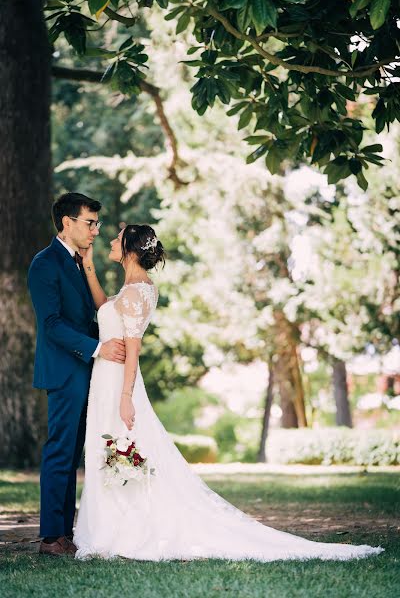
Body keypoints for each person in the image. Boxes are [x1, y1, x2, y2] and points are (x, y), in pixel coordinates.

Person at [74, 224, 383, 562]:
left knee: (122, 449)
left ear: (131, 250)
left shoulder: (136, 293)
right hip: (106, 378)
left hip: (118, 381)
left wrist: (125, 396)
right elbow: (105, 307)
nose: (111, 241)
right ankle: (117, 523)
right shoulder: (133, 288)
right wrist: (88, 266)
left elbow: (133, 349)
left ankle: (126, 529)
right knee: (113, 452)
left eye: (118, 239)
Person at [28, 193, 126, 557]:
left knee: (73, 455)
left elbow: (91, 314)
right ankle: (52, 536)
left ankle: (65, 533)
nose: (96, 231)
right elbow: (51, 324)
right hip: (64, 372)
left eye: (97, 223)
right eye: (90, 222)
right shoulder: (45, 264)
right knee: (60, 451)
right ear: (67, 223)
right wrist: (98, 348)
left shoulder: (77, 262)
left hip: (88, 371)